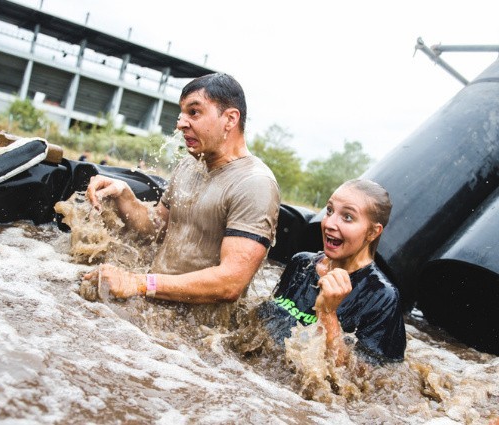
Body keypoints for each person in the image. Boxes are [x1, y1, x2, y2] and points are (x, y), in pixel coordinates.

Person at [82, 73, 281, 304]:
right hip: (153, 304)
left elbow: (230, 283)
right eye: (182, 113)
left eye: (194, 112)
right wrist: (125, 195)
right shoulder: (189, 165)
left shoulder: (254, 184)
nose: (180, 124)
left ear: (230, 119)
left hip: (199, 332)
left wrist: (139, 283)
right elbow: (156, 228)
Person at [258, 179, 406, 365]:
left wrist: (327, 312)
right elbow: (264, 323)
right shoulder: (301, 263)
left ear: (372, 232)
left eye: (348, 217)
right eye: (329, 211)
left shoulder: (381, 296)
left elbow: (361, 378)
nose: (329, 223)